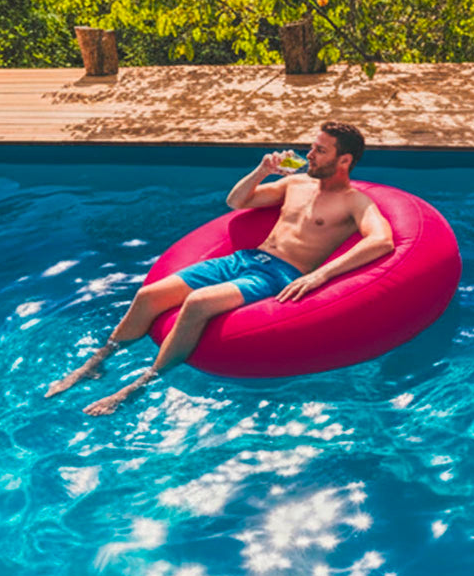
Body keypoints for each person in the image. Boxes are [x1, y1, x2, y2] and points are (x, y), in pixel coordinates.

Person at [47, 121, 394, 416]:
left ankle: (137, 386)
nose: (309, 155)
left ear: (344, 160)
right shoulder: (295, 184)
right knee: (148, 295)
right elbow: (236, 202)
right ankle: (94, 364)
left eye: (320, 150)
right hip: (244, 259)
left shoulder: (355, 202)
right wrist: (263, 170)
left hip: (279, 274)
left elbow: (381, 240)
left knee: (197, 303)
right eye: (312, 147)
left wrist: (322, 273)